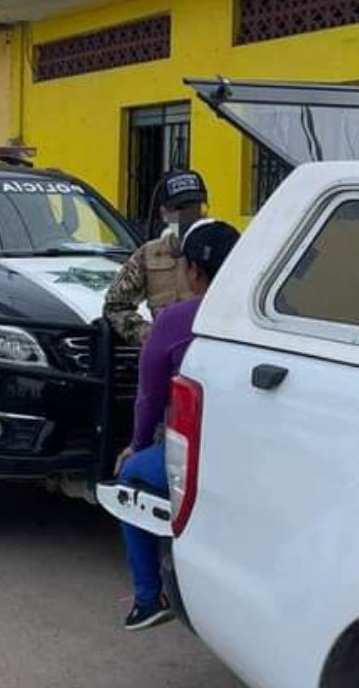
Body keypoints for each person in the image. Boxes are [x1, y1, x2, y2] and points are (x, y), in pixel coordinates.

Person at [113, 218, 241, 631]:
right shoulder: (272, 313)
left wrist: (134, 445)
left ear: (192, 271)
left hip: (203, 453)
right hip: (262, 446)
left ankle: (149, 598)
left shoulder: (175, 320)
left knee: (131, 478)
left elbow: (149, 398)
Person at [103, 170, 209, 345]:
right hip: (166, 352)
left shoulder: (223, 250)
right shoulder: (148, 254)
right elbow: (115, 307)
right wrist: (149, 335)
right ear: (164, 214)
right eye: (180, 209)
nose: (189, 216)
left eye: (196, 208)